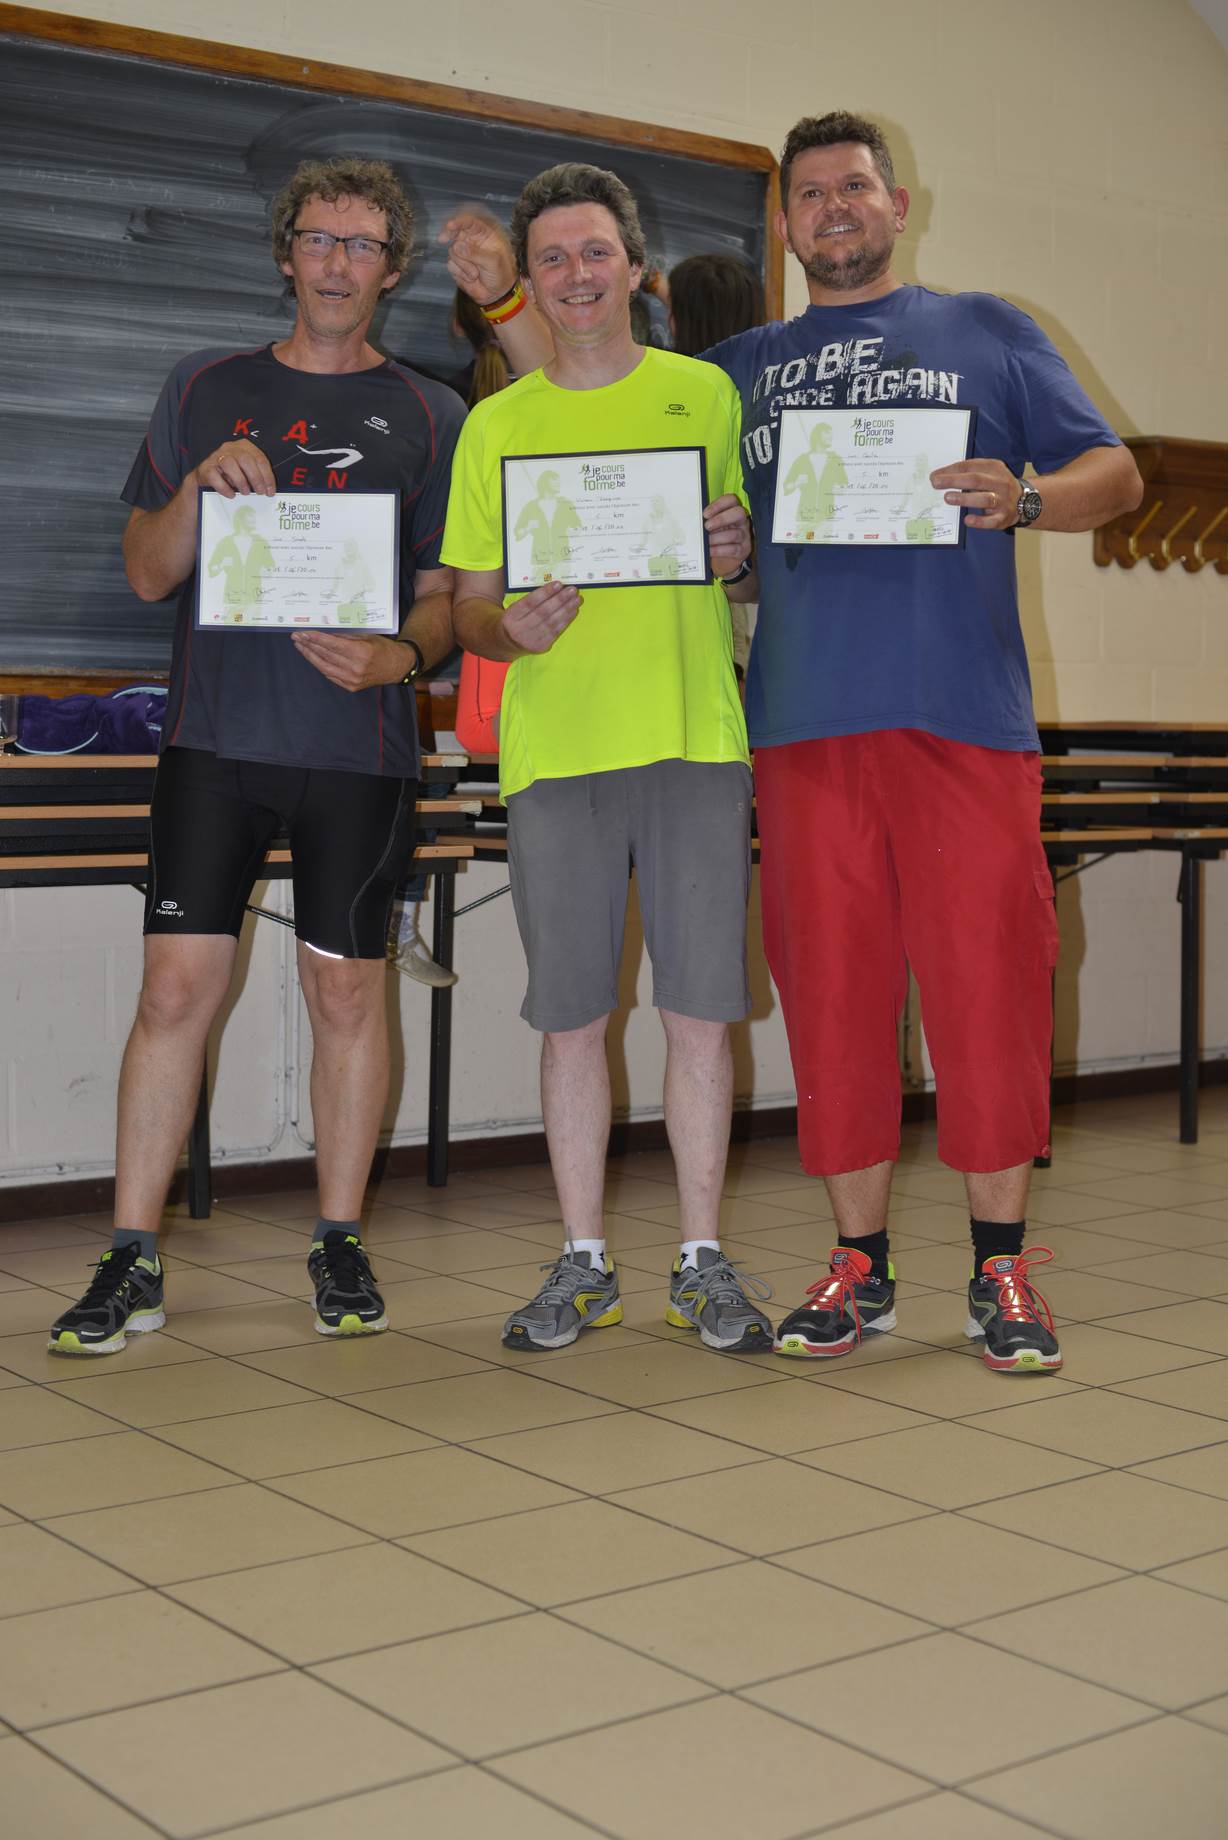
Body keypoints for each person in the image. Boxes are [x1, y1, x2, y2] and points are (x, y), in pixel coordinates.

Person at [446, 112, 1143, 1376]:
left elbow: (1119, 475)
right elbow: (595, 400)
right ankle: (857, 1264)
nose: (833, 208)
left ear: (896, 204)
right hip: (801, 729)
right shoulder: (737, 375)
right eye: (810, 194)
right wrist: (507, 296)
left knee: (987, 987)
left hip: (963, 719)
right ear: (783, 225)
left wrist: (1029, 496)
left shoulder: (987, 329)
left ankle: (999, 1265)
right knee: (831, 997)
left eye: (854, 187)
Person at [48, 156, 464, 1356]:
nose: (338, 263)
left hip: (359, 750)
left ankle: (338, 1238)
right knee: (175, 991)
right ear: (286, 255)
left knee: (347, 992)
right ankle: (132, 1255)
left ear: (393, 268)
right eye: (318, 239)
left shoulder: (434, 412)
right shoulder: (204, 385)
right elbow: (146, 572)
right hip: (213, 743)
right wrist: (196, 488)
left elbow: (447, 596)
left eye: (362, 244)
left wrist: (400, 656)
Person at [441, 163, 773, 1354]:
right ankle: (582, 1260)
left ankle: (700, 1260)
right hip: (558, 752)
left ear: (636, 268)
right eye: (551, 259)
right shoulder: (496, 424)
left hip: (693, 739)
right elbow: (468, 608)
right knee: (571, 1020)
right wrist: (507, 629)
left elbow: (742, 571)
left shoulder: (704, 395)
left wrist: (735, 552)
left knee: (699, 1016)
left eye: (594, 253)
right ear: (527, 282)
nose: (575, 276)